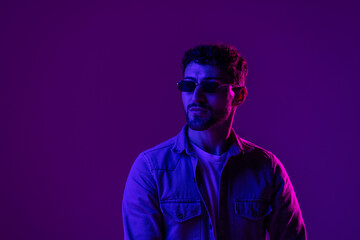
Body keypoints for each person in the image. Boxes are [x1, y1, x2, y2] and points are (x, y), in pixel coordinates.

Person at [122, 43, 306, 240]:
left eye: (210, 86)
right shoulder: (151, 168)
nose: (196, 97)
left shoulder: (267, 168)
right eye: (188, 85)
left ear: (239, 96)